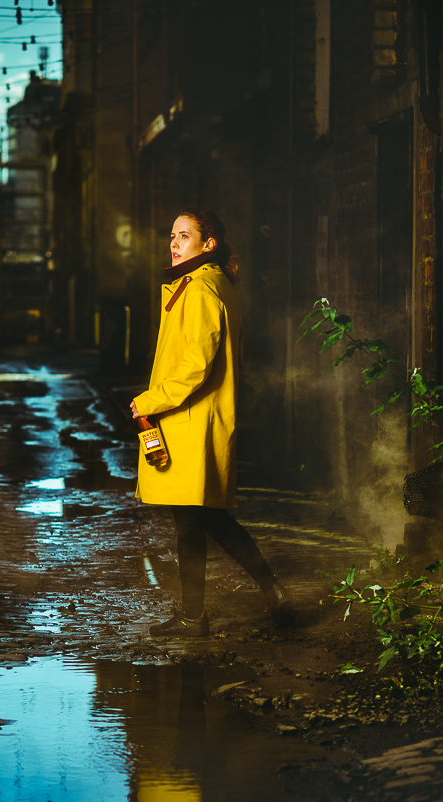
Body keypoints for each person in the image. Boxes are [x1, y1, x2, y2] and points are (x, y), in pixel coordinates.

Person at [130, 206, 295, 638]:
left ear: (209, 244)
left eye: (184, 235)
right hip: (192, 420)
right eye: (172, 235)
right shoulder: (205, 284)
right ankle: (250, 598)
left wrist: (149, 400)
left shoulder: (201, 288)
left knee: (198, 520)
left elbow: (196, 366)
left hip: (190, 422)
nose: (174, 242)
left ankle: (212, 610)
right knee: (201, 519)